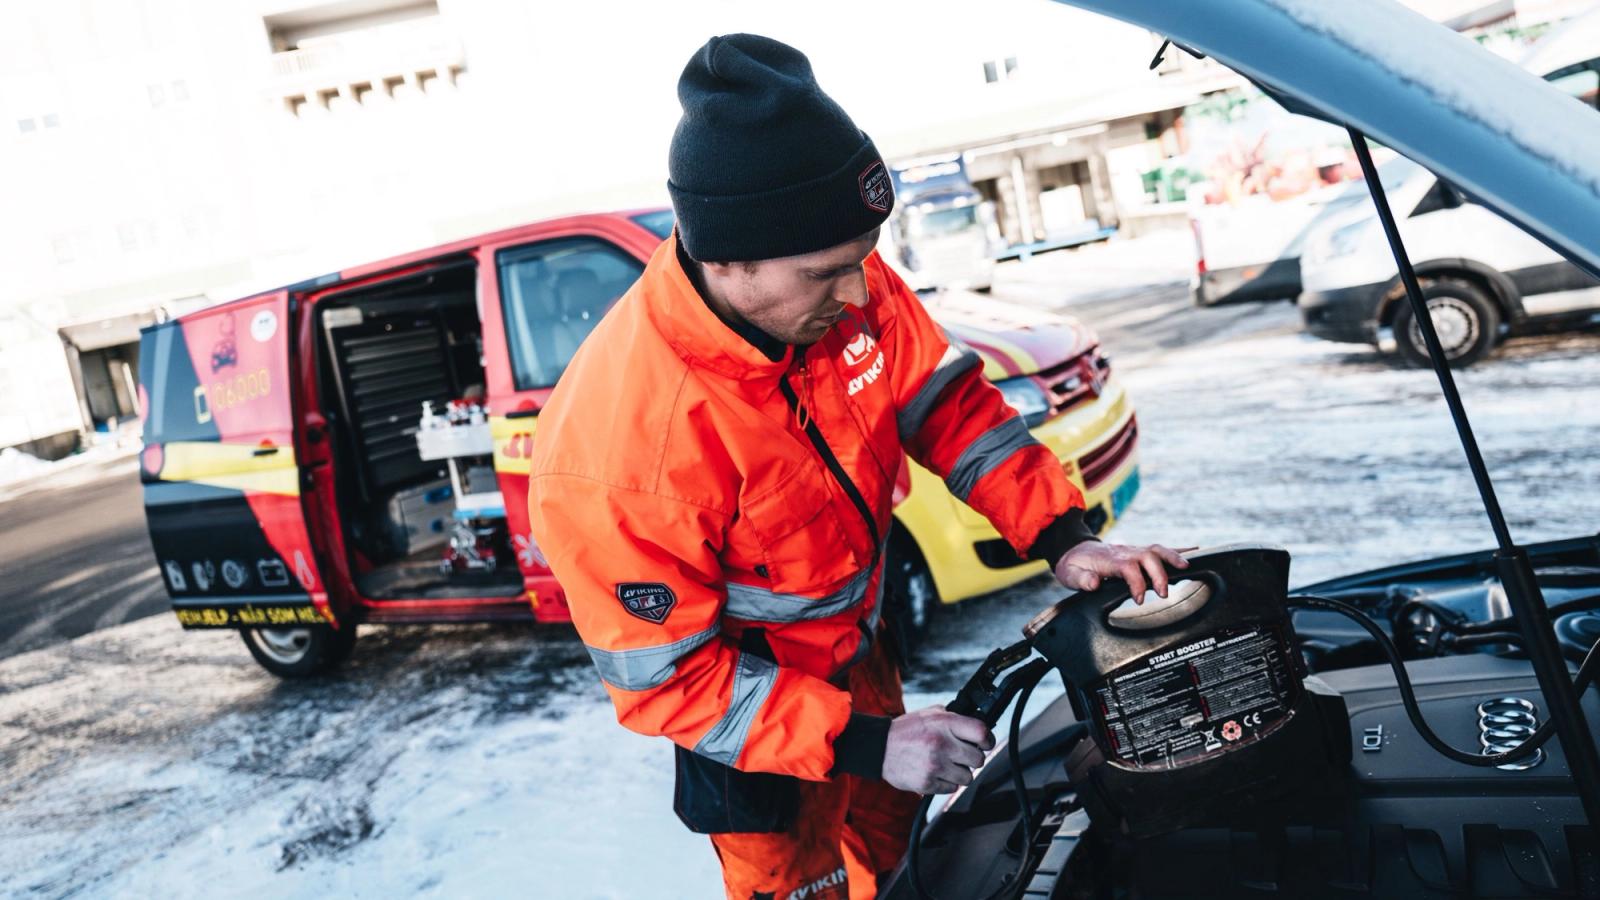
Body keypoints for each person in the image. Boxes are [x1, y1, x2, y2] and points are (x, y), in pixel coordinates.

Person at [528, 33, 1189, 900]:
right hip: (755, 732)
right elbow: (669, 683)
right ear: (727, 258)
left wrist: (1062, 538)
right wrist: (874, 745)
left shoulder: (845, 281)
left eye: (863, 259)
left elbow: (950, 411)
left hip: (867, 673)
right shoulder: (621, 451)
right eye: (826, 274)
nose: (858, 294)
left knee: (915, 871)